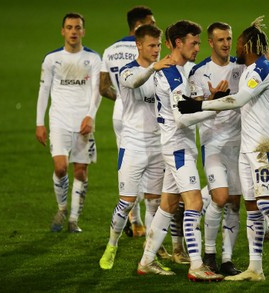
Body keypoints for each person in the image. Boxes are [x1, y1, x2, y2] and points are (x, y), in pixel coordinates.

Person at [178, 16, 269, 286]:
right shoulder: (248, 69)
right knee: (252, 207)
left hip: (264, 147)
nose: (233, 48)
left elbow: (238, 100)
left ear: (247, 45)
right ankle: (255, 267)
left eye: (237, 43)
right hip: (248, 147)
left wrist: (200, 106)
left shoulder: (262, 68)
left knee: (266, 204)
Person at [137, 20, 224, 281]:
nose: (198, 47)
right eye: (194, 42)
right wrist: (214, 107)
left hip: (176, 145)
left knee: (168, 205)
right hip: (177, 148)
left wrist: (208, 99)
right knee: (194, 203)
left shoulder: (180, 71)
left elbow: (185, 104)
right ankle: (196, 265)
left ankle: (146, 261)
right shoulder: (172, 74)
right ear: (178, 43)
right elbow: (183, 118)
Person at [99, 24, 174, 270]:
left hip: (157, 145)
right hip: (132, 146)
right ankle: (112, 245)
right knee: (126, 202)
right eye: (151, 45)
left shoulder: (162, 72)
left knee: (154, 202)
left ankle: (150, 252)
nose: (156, 50)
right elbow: (134, 83)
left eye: (158, 45)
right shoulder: (126, 70)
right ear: (139, 45)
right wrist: (154, 67)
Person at [36, 12, 101, 233]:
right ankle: (62, 207)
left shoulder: (93, 59)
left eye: (78, 27)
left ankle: (74, 219)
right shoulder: (52, 59)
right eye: (69, 27)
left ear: (83, 31)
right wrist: (39, 123)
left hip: (82, 120)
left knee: (81, 172)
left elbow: (96, 91)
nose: (74, 31)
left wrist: (90, 115)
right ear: (63, 31)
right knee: (60, 167)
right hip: (59, 120)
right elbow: (44, 90)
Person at [188, 21, 244, 276]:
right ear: (210, 42)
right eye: (220, 40)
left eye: (228, 39)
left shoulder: (242, 68)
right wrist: (212, 99)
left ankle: (227, 259)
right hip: (212, 144)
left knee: (234, 203)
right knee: (220, 198)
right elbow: (188, 108)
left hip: (238, 144)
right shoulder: (199, 73)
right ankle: (209, 253)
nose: (225, 44)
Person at [99, 6, 156, 238]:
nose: (154, 26)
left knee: (128, 169)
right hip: (143, 114)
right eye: (151, 22)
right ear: (139, 26)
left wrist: (122, 97)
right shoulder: (151, 51)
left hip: (119, 114)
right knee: (148, 169)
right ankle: (144, 226)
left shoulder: (110, 50)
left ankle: (136, 220)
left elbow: (103, 87)